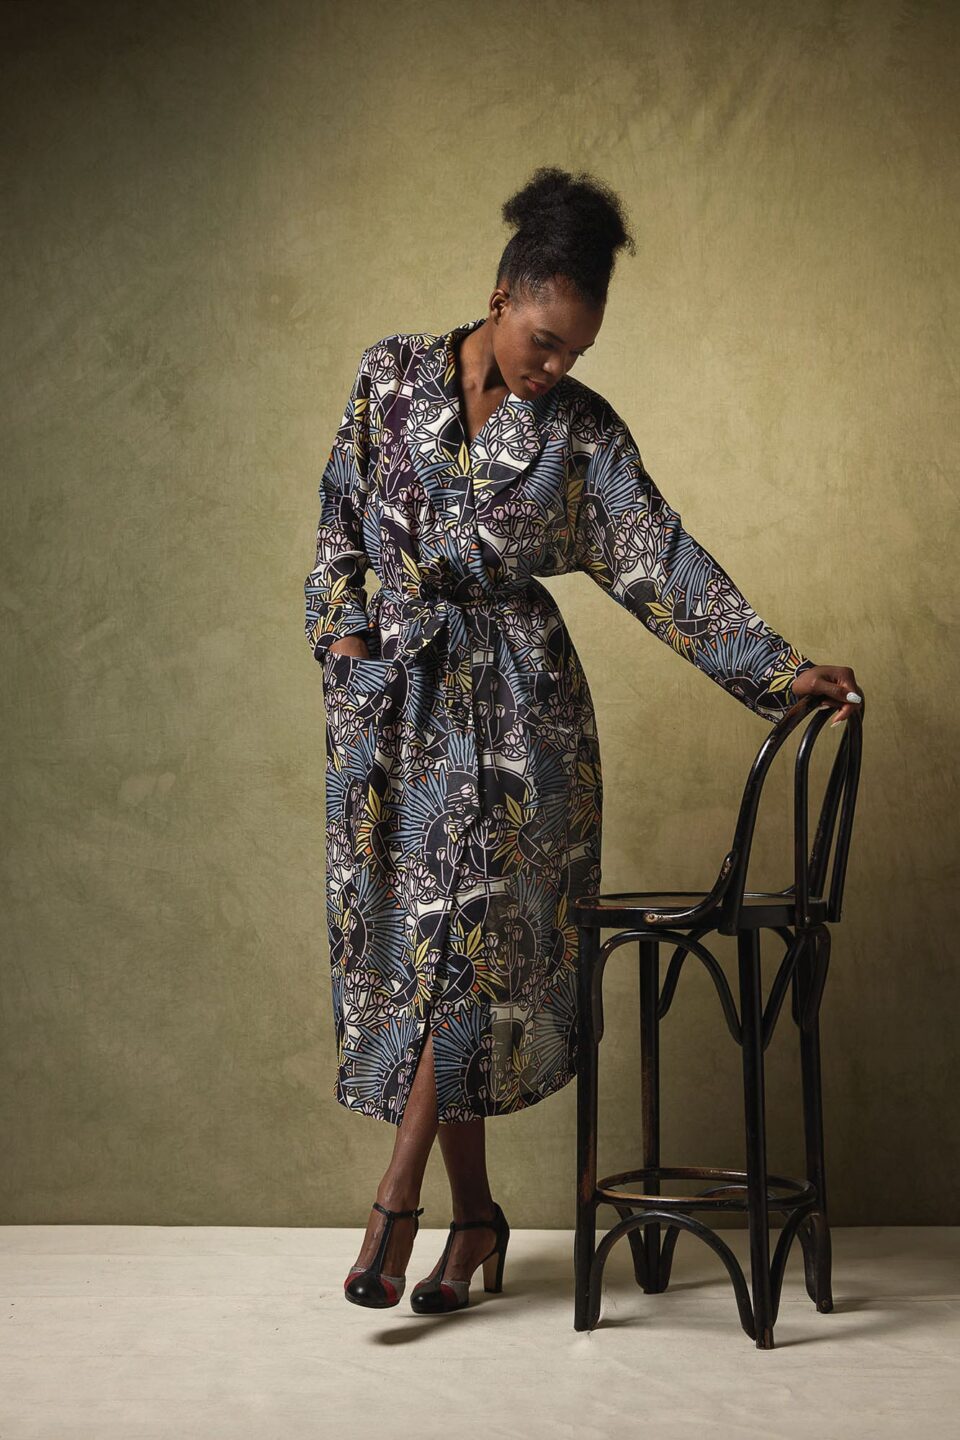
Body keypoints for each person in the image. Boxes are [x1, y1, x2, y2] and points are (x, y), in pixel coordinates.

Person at [303, 166, 865, 1315]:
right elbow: (339, 523)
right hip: (396, 709)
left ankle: (397, 1202)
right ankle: (477, 1220)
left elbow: (663, 560)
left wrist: (777, 668)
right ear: (501, 297)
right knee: (418, 957)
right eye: (545, 341)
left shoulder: (582, 435)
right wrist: (348, 653)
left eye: (577, 352)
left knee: (462, 946)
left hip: (520, 722)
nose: (554, 369)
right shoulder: (389, 375)